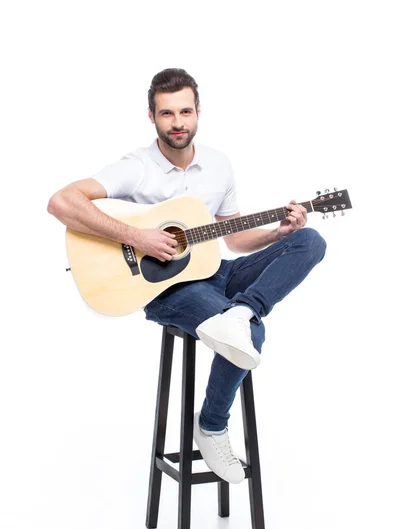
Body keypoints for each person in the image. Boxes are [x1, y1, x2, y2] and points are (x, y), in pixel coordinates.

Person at [48, 68, 326, 485]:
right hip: (167, 290)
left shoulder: (218, 165)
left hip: (215, 271)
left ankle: (243, 311)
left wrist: (276, 232)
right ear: (151, 117)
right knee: (252, 336)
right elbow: (61, 202)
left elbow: (233, 239)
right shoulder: (136, 167)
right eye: (166, 114)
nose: (177, 123)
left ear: (198, 112)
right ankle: (212, 425)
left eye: (184, 112)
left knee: (310, 241)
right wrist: (137, 236)